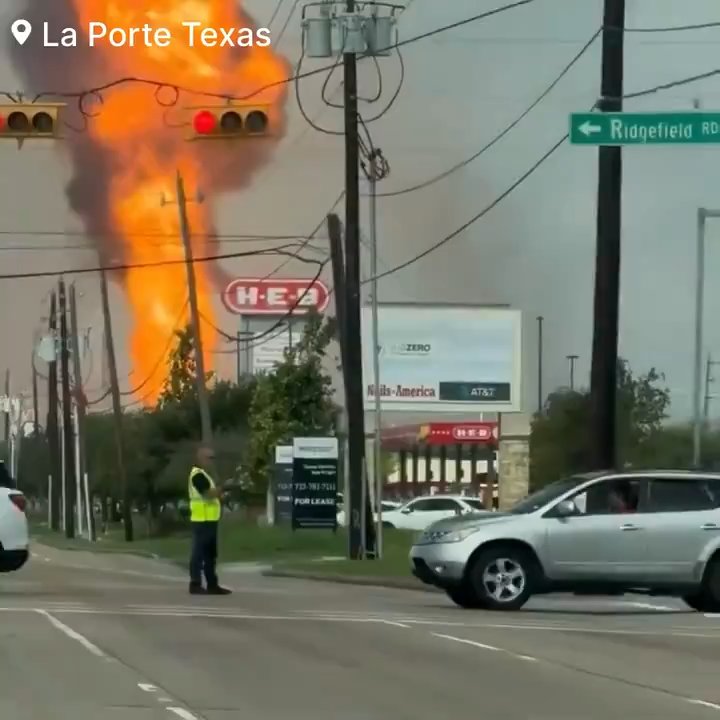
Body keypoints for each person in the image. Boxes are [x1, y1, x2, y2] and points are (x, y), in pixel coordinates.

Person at [188, 445, 231, 596]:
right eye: (209, 458)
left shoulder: (205, 475)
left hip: (211, 520)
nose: (212, 461)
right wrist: (223, 489)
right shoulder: (197, 475)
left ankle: (212, 585)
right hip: (202, 520)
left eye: (213, 458)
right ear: (200, 457)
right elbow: (207, 493)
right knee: (199, 554)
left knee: (210, 555)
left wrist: (220, 495)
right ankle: (195, 583)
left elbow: (212, 494)